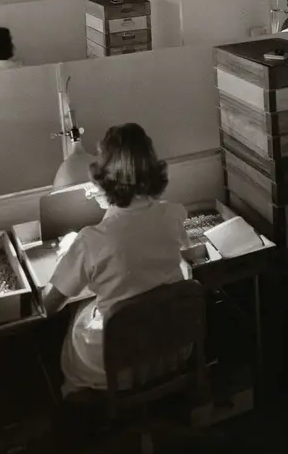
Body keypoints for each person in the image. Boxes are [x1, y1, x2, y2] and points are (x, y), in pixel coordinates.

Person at [40, 124, 190, 396]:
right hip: (171, 351)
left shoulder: (91, 240)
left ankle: (71, 398)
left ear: (103, 181)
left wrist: (68, 260)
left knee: (76, 313)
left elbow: (49, 306)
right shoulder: (174, 214)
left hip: (118, 366)